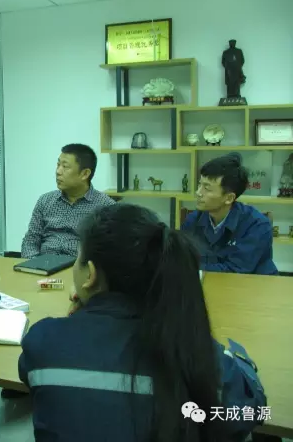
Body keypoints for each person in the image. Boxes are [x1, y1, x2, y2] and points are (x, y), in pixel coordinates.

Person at [18, 203, 267, 442]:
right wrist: (239, 358)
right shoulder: (200, 356)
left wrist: (80, 317)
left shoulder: (43, 342)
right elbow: (253, 407)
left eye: (77, 258)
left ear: (90, 275)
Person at [181, 154, 277, 275]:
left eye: (207, 188)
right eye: (200, 185)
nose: (198, 193)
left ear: (229, 198)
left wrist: (191, 268)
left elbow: (235, 270)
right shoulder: (192, 220)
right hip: (207, 282)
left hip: (250, 285)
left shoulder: (257, 225)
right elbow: (181, 259)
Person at [21, 144, 114, 259]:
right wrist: (33, 263)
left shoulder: (106, 207)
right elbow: (30, 240)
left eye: (65, 166)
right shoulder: (45, 201)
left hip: (79, 266)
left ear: (85, 174)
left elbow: (109, 250)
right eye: (58, 165)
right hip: (43, 264)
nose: (58, 171)